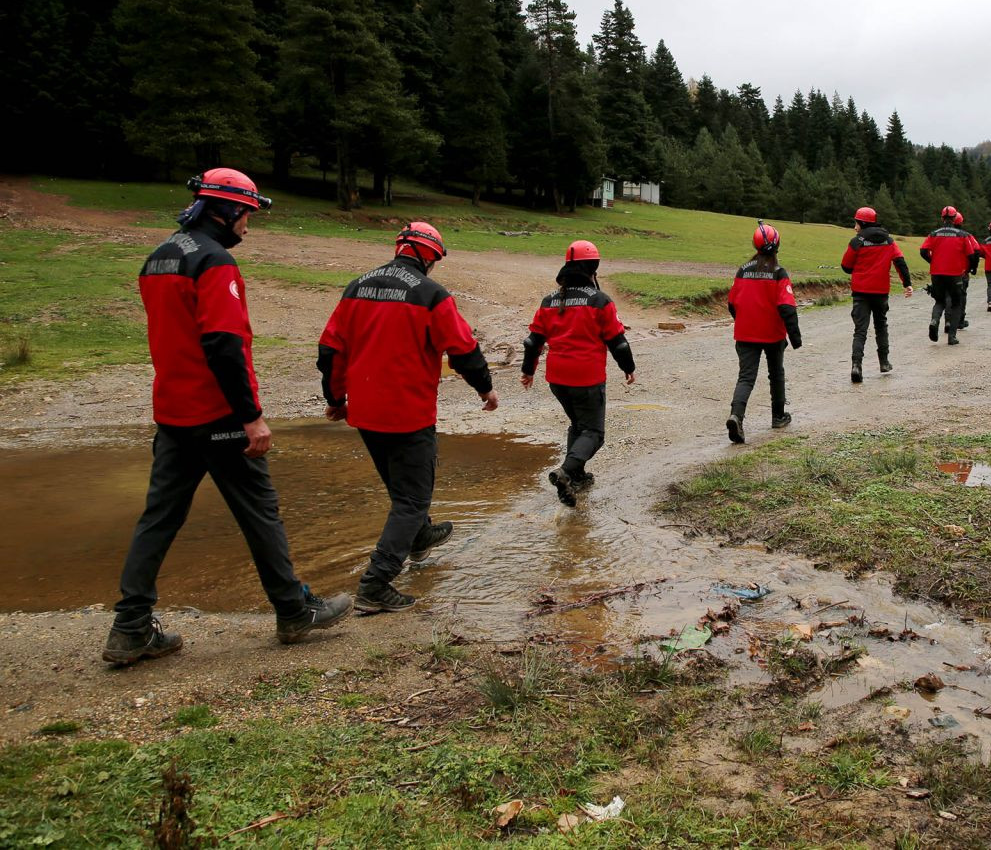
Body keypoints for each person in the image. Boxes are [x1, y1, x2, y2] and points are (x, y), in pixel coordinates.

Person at [104, 169, 352, 665]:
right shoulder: (214, 262)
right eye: (248, 215)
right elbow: (223, 343)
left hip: (173, 411)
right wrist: (251, 417)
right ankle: (293, 610)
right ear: (228, 210)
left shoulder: (159, 257)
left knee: (159, 518)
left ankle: (131, 625)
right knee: (260, 512)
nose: (248, 225)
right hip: (218, 413)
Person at [318, 222, 498, 613]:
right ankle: (376, 583)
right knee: (412, 500)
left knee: (403, 494)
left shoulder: (357, 286)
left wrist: (335, 397)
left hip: (365, 413)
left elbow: (331, 348)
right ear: (429, 256)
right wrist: (485, 388)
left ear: (400, 247)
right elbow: (463, 348)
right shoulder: (431, 294)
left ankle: (420, 537)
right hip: (408, 414)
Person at [520, 240, 635, 506]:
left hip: (557, 380)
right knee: (594, 433)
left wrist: (528, 371)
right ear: (593, 268)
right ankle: (567, 472)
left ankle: (578, 475)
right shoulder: (599, 300)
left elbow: (532, 341)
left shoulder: (549, 300)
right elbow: (617, 342)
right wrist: (628, 368)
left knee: (577, 424)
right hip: (587, 378)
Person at [725, 222, 801, 443]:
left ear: (755, 244)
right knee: (776, 374)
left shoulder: (743, 270)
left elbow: (732, 303)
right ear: (778, 245)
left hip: (745, 333)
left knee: (746, 377)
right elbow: (787, 307)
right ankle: (778, 416)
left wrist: (742, 321)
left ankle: (736, 415)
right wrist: (795, 338)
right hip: (773, 334)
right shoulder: (779, 273)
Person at [841, 206, 913, 382]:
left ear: (862, 223)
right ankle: (884, 362)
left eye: (856, 222)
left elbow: (846, 266)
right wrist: (907, 284)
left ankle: (856, 366)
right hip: (880, 292)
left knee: (860, 330)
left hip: (860, 292)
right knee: (881, 326)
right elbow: (900, 261)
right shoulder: (888, 240)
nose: (854, 226)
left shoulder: (856, 241)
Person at [919, 206, 976, 345]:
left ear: (942, 218)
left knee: (939, 301)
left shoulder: (934, 233)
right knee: (956, 303)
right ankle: (952, 336)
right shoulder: (962, 235)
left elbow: (923, 251)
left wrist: (932, 261)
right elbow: (972, 255)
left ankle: (934, 320)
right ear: (955, 218)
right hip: (955, 274)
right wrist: (969, 269)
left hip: (937, 273)